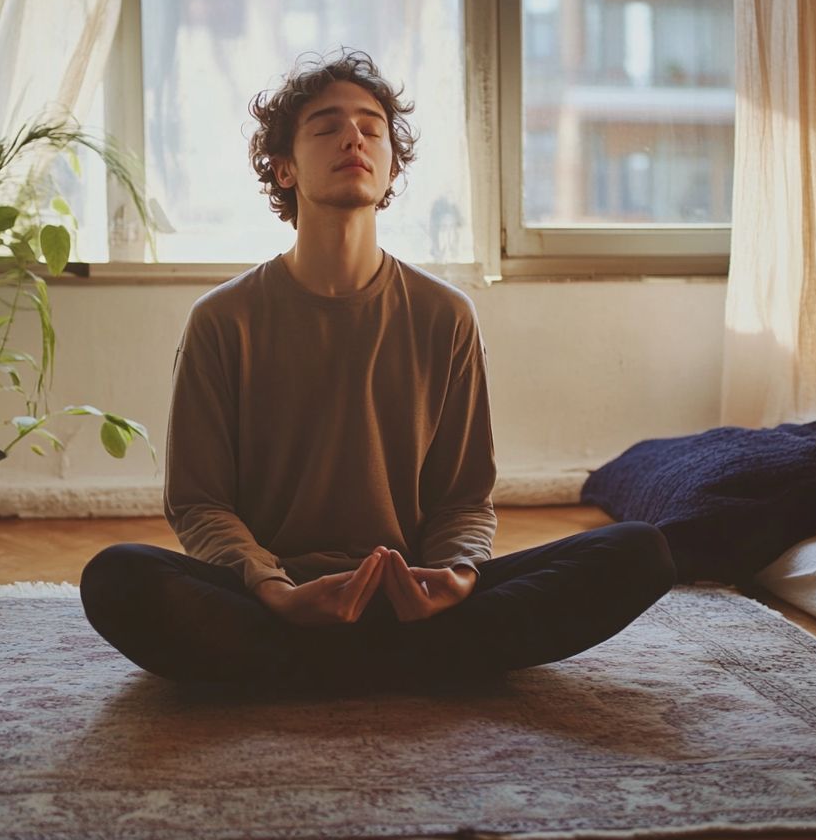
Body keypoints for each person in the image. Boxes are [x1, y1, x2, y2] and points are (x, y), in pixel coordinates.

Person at [80, 49, 675, 694]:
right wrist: (277, 591)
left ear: (391, 166)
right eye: (327, 125)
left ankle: (308, 668)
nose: (354, 137)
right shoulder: (223, 320)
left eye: (371, 126)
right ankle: (410, 664)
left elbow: (463, 498)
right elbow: (199, 502)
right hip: (272, 597)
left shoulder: (445, 314)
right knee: (117, 577)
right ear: (283, 167)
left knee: (637, 551)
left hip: (409, 599)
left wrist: (455, 579)